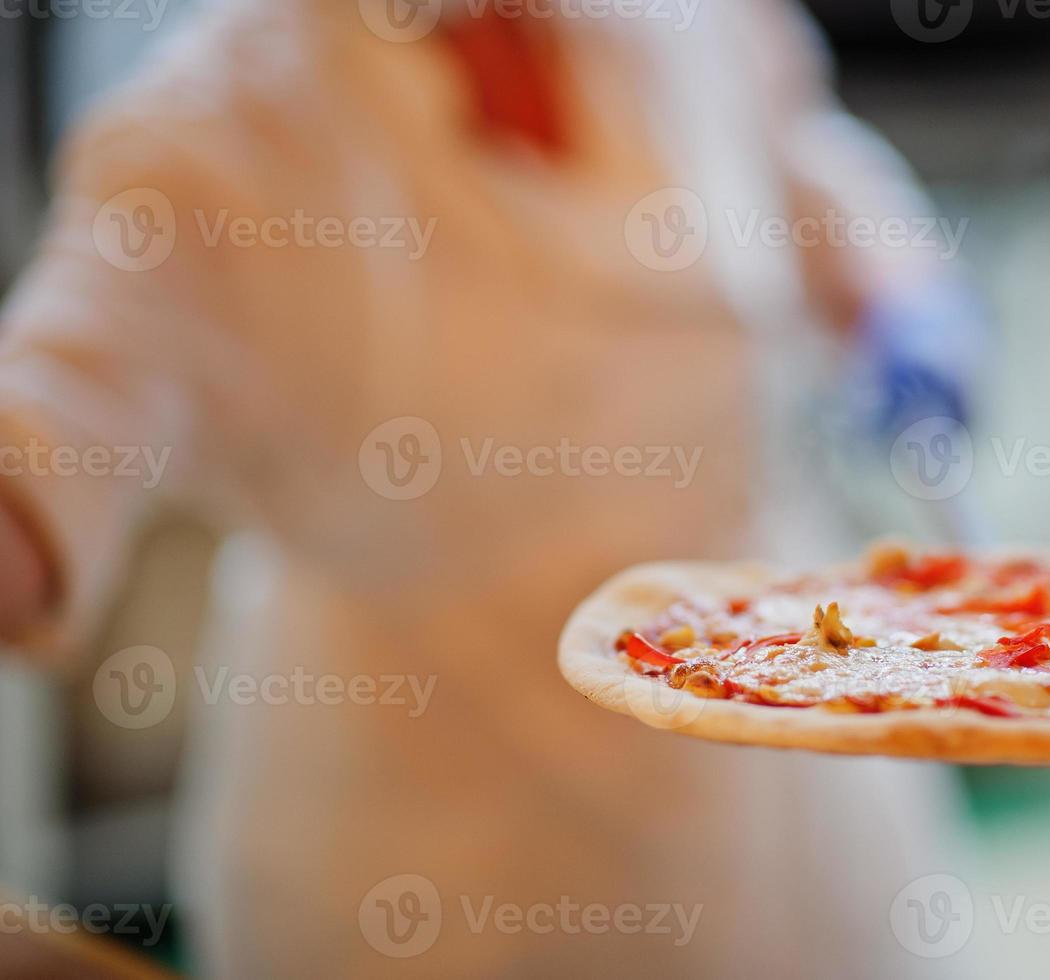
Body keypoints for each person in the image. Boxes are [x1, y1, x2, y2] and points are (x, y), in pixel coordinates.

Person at [0, 1, 980, 975]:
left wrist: (900, 297)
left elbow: (805, 163)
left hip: (781, 830)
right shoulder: (210, 135)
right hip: (434, 879)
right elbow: (47, 439)